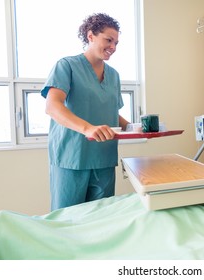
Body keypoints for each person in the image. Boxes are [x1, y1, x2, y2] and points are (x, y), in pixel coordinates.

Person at [41, 13, 129, 211]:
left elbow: (111, 112)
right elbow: (52, 106)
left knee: (100, 219)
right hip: (71, 156)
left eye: (116, 42)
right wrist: (87, 128)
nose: (113, 47)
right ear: (90, 36)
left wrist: (137, 128)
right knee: (67, 220)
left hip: (104, 158)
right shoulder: (66, 66)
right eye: (108, 40)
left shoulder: (113, 75)